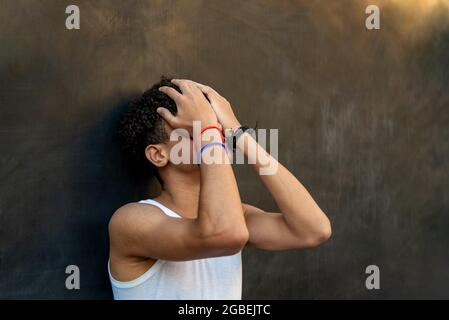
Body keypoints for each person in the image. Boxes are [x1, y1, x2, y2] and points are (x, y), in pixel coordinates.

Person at [108, 78, 331, 299]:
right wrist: (208, 130)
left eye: (216, 126)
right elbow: (225, 234)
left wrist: (239, 132)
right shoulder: (131, 221)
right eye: (191, 129)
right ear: (158, 154)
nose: (215, 133)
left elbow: (313, 230)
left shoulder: (236, 214)